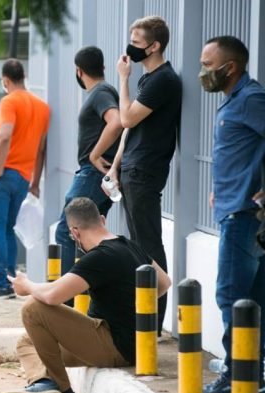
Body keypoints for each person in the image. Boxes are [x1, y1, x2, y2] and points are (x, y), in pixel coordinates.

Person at [1, 197, 171, 393]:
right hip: (138, 346)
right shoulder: (129, 245)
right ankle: (44, 383)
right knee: (28, 343)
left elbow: (52, 296)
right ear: (102, 219)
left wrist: (26, 285)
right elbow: (164, 283)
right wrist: (134, 305)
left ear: (74, 232)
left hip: (115, 346)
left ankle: (64, 392)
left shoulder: (99, 257)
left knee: (32, 308)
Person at [198, 36, 265, 393]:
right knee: (253, 299)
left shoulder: (251, 99)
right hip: (235, 208)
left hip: (243, 215)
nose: (203, 72)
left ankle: (236, 375)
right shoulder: (234, 101)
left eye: (208, 65)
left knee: (231, 296)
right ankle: (253, 371)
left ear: (230, 67)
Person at [107, 16, 181, 333]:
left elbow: (125, 118)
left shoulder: (163, 80)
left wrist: (122, 78)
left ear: (155, 46)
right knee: (138, 247)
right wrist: (115, 165)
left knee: (149, 247)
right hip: (132, 169)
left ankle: (155, 321)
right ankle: (144, 316)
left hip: (146, 172)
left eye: (137, 43)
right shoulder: (148, 79)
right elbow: (130, 129)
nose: (130, 49)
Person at [54, 46, 123, 284]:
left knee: (66, 231)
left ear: (79, 71)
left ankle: (66, 302)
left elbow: (116, 122)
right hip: (93, 174)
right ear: (102, 67)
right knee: (90, 236)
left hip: (92, 174)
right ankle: (88, 295)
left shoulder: (101, 92)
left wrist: (95, 154)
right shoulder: (104, 91)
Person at [0, 59, 50, 298]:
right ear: (25, 76)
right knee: (8, 229)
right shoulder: (42, 107)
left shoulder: (9, 101)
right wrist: (34, 182)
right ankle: (11, 281)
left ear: (6, 80)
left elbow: (4, 136)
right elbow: (42, 149)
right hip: (23, 176)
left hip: (1, 174)